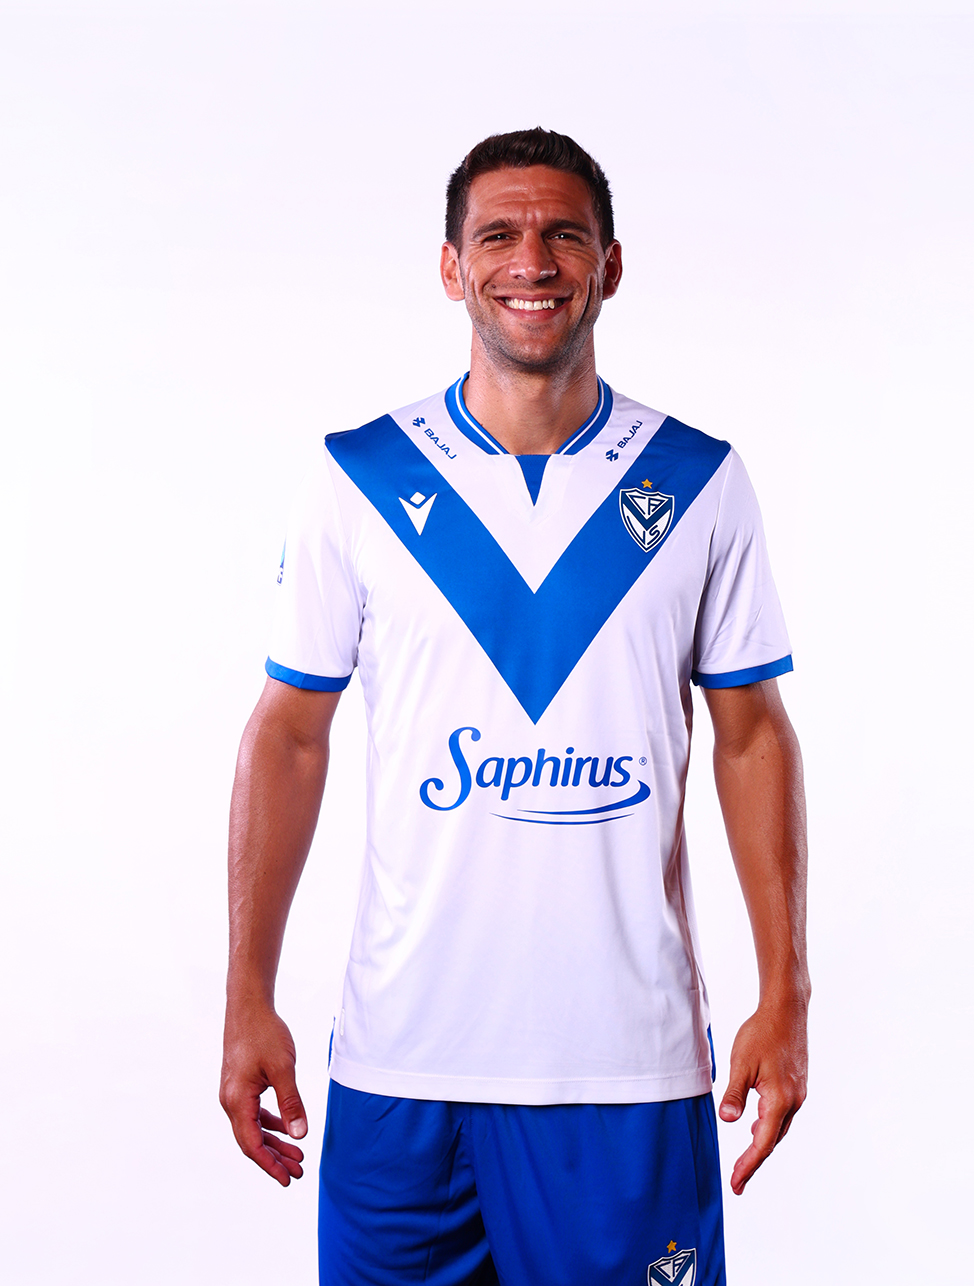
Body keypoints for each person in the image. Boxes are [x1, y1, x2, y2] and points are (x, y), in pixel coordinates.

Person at [220, 128, 809, 1286]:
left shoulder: (698, 480)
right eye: (498, 234)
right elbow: (288, 735)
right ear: (452, 266)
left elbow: (752, 734)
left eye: (562, 235)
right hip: (401, 1069)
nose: (531, 261)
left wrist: (786, 992)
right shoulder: (358, 477)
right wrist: (248, 996)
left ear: (610, 265)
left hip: (625, 1074)